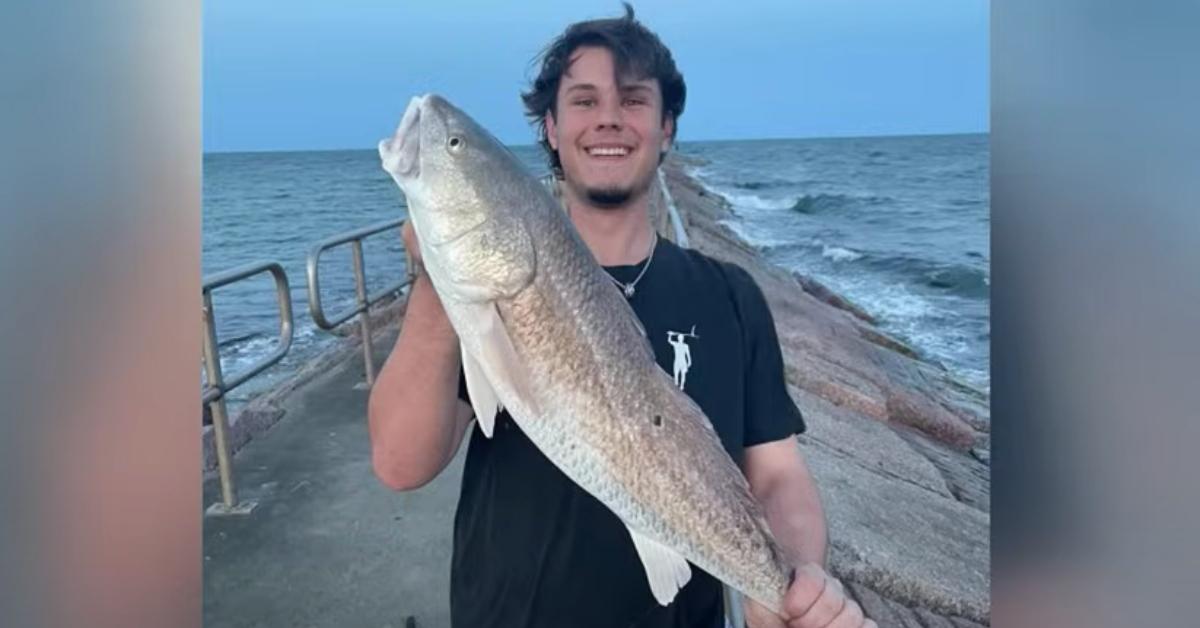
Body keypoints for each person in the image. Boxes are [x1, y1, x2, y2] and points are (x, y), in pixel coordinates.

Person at [368, 5, 874, 628]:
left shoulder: (731, 295)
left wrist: (789, 584)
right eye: (583, 100)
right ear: (550, 128)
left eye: (633, 100)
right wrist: (435, 280)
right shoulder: (475, 301)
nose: (608, 116)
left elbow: (777, 473)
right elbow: (399, 462)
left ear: (666, 128)